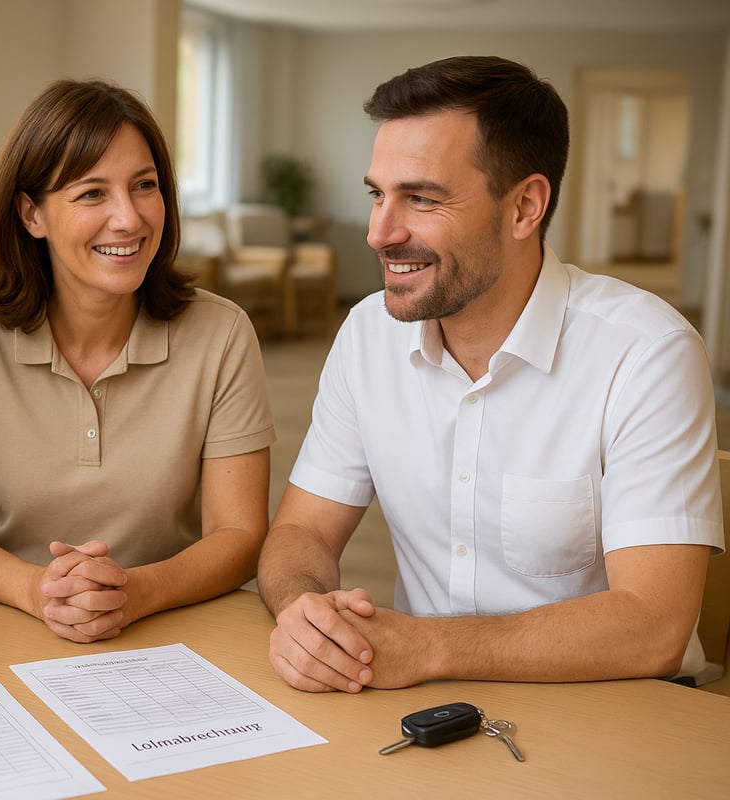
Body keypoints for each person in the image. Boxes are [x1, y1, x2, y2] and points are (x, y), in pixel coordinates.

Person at [258, 55, 724, 692]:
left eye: (421, 198)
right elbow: (302, 530)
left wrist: (428, 647)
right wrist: (303, 613)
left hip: (615, 707)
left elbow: (654, 625)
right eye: (377, 194)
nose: (378, 232)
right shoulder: (368, 334)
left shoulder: (647, 353)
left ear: (525, 207)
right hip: (426, 701)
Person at [0, 79, 274, 643]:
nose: (128, 218)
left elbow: (241, 534)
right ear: (31, 214)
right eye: (91, 194)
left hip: (174, 623)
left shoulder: (222, 333)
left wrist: (135, 592)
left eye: (144, 185)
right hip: (11, 618)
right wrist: (39, 591)